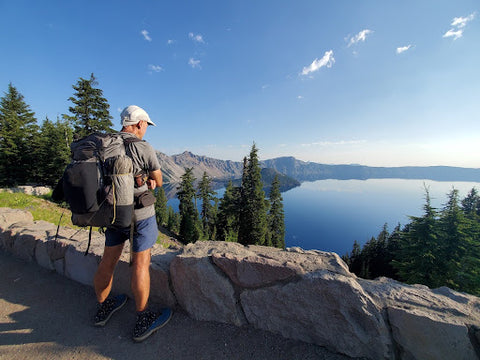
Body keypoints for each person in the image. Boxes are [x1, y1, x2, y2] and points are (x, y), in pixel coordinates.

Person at [92, 105, 172, 342]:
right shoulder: (143, 147)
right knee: (140, 264)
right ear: (139, 124)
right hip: (140, 214)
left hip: (113, 212)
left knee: (108, 261)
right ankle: (142, 318)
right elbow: (158, 179)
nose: (146, 129)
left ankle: (103, 308)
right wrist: (148, 180)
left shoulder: (106, 144)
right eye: (146, 125)